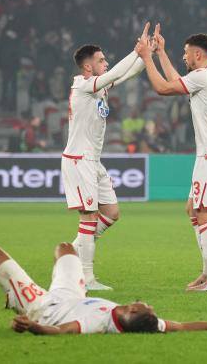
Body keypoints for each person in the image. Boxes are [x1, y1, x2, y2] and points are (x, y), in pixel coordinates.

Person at [0, 243, 207, 334]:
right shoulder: (145, 324)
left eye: (142, 303)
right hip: (73, 297)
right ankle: (16, 297)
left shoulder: (97, 322)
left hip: (46, 308)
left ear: (132, 310)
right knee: (65, 250)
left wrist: (33, 326)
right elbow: (186, 326)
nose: (144, 302)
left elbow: (62, 332)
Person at [136, 23, 207, 292]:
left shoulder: (204, 77)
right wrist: (161, 53)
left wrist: (147, 57)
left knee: (205, 214)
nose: (184, 57)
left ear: (198, 55)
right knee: (193, 209)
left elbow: (163, 88)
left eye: (186, 53)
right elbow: (176, 81)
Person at [61, 24, 148, 290]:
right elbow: (120, 70)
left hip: (93, 161)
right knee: (87, 217)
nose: (106, 62)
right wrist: (136, 51)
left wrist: (146, 55)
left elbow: (130, 71)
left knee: (111, 212)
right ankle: (85, 278)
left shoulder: (99, 86)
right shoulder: (85, 86)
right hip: (78, 159)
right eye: (101, 60)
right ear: (88, 67)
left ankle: (71, 252)